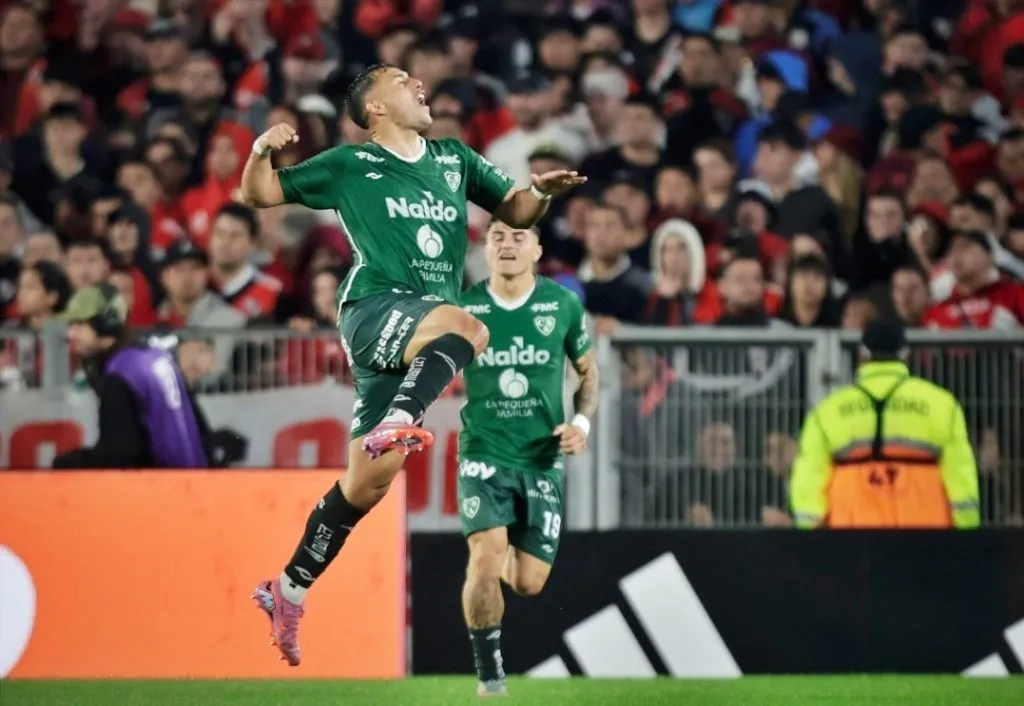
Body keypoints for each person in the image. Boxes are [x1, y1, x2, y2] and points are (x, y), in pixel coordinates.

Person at [238, 63, 586, 666]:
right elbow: (259, 193)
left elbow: (516, 209)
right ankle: (401, 414)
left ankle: (288, 589)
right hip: (375, 307)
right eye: (402, 80)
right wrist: (260, 151)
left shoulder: (453, 158)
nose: (418, 84)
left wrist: (542, 193)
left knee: (368, 483)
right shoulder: (351, 164)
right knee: (471, 326)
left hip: (421, 333)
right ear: (374, 108)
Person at [457, 219, 597, 696]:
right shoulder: (465, 307)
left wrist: (580, 424)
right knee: (485, 559)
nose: (508, 244)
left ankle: (492, 570)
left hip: (541, 459)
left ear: (537, 249)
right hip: (483, 452)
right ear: (486, 248)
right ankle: (489, 676)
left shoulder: (562, 305)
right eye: (498, 236)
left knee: (528, 582)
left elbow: (588, 372)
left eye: (519, 237)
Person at [790, 322, 980, 529]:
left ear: (862, 356)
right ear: (905, 355)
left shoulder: (827, 410)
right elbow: (960, 472)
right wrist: (967, 528)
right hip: (926, 530)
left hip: (852, 534)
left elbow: (810, 475)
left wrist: (810, 531)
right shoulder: (943, 404)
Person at [51, 284, 212, 469]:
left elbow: (118, 454)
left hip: (161, 487)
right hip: (196, 481)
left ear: (106, 322)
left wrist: (68, 462)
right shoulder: (157, 358)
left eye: (79, 324)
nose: (70, 334)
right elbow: (199, 426)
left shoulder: (119, 376)